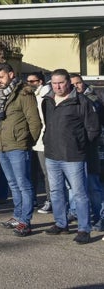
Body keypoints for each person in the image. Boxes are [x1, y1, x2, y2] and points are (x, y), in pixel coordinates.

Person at [42, 69, 100, 245]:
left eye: (61, 82)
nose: (57, 86)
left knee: (79, 194)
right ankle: (61, 224)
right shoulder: (48, 101)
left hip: (74, 156)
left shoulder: (81, 101)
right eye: (54, 83)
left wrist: (79, 144)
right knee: (56, 192)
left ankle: (84, 229)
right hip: (52, 155)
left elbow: (93, 129)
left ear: (68, 82)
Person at [0, 63, 42, 237]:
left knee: (23, 184)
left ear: (11, 75)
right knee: (13, 184)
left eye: (2, 77)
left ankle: (25, 221)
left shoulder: (24, 93)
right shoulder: (3, 95)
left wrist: (26, 142)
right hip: (3, 145)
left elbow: (35, 122)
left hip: (18, 146)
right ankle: (17, 215)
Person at [69, 73, 104, 231]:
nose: (77, 86)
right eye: (73, 84)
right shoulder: (67, 101)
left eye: (79, 83)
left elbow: (95, 128)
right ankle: (75, 211)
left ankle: (100, 216)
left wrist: (85, 141)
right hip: (72, 151)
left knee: (93, 186)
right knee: (73, 187)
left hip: (89, 149)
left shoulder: (93, 101)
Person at [26, 72, 53, 214]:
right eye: (28, 81)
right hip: (33, 139)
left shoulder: (46, 96)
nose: (29, 83)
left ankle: (50, 200)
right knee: (33, 172)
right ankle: (33, 198)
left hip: (43, 139)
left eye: (32, 81)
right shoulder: (33, 95)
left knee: (46, 173)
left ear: (40, 81)